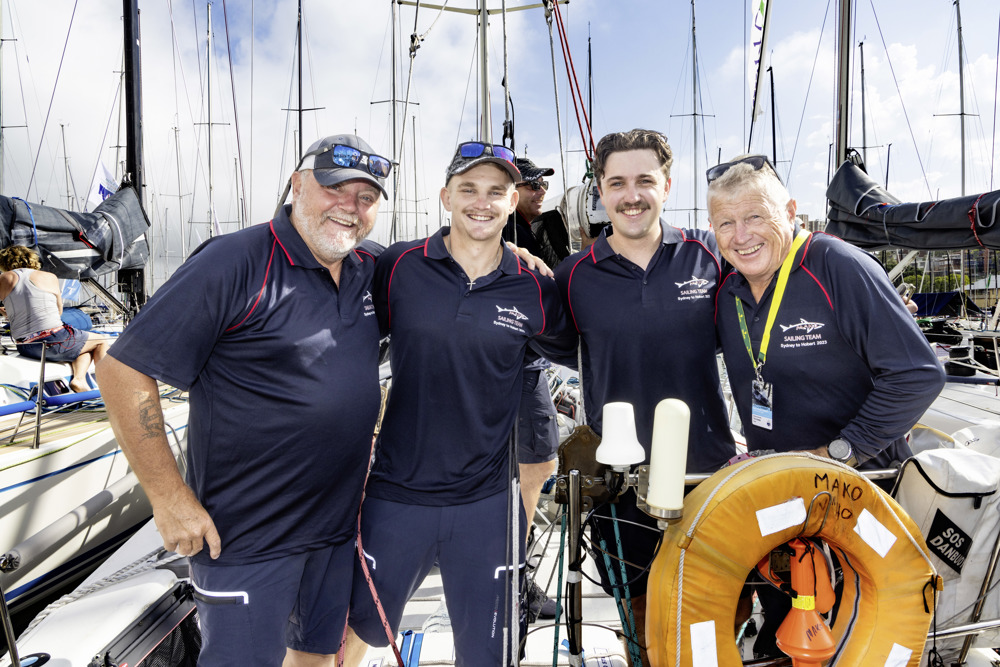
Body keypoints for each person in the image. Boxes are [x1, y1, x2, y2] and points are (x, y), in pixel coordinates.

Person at [96, 133, 391, 667]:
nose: (350, 208)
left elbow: (444, 266)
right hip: (246, 536)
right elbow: (121, 367)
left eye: (366, 199)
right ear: (297, 185)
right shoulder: (235, 261)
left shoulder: (370, 270)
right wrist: (168, 498)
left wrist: (511, 251)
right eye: (335, 190)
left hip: (334, 529)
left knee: (318, 658)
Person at [706, 154, 945, 656]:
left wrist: (839, 452)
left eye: (755, 216)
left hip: (861, 493)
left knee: (855, 643)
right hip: (784, 504)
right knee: (784, 638)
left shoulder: (837, 265)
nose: (741, 234)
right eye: (725, 222)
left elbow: (918, 373)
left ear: (791, 211)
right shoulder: (728, 291)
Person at [346, 142, 571, 666]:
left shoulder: (534, 285)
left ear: (513, 202)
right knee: (353, 637)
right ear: (446, 196)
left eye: (496, 192)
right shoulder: (398, 265)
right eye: (468, 189)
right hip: (396, 497)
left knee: (489, 654)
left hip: (488, 507)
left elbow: (594, 350)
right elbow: (330, 330)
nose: (481, 202)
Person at [552, 129, 737, 666]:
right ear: (601, 193)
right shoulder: (573, 275)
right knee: (639, 614)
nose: (631, 195)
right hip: (618, 481)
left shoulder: (710, 256)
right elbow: (545, 343)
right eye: (617, 183)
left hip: (707, 471)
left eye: (644, 181)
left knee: (720, 604)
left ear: (667, 185)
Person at [503, 156, 560, 622]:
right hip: (499, 367)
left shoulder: (545, 230)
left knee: (539, 465)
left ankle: (516, 573)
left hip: (531, 364)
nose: (540, 189)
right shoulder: (496, 233)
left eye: (543, 183)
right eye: (531, 183)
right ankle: (509, 575)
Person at [0, 245, 110, 392]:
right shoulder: (49, 277)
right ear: (32, 260)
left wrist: (8, 313)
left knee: (84, 347)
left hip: (26, 346)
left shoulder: (5, 278)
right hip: (54, 342)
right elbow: (58, 312)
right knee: (100, 341)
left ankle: (80, 380)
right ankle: (109, 387)